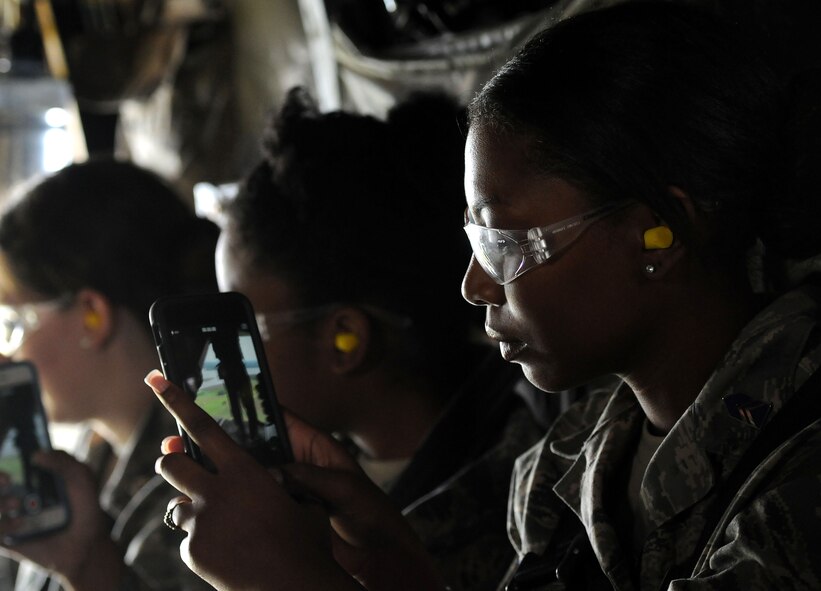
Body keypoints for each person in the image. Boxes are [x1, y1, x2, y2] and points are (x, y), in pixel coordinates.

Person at [148, 2, 821, 590]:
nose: (474, 284)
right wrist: (400, 570)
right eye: (473, 242)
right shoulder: (563, 465)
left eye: (505, 242)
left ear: (658, 232)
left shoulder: (800, 467)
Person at [210, 86, 547, 590]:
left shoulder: (521, 509)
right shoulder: (309, 493)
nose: (222, 357)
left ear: (344, 338)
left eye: (245, 327)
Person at [0, 159, 220, 591]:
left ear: (92, 316)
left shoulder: (202, 493)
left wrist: (87, 566)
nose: (6, 354)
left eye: (15, 322)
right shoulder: (85, 452)